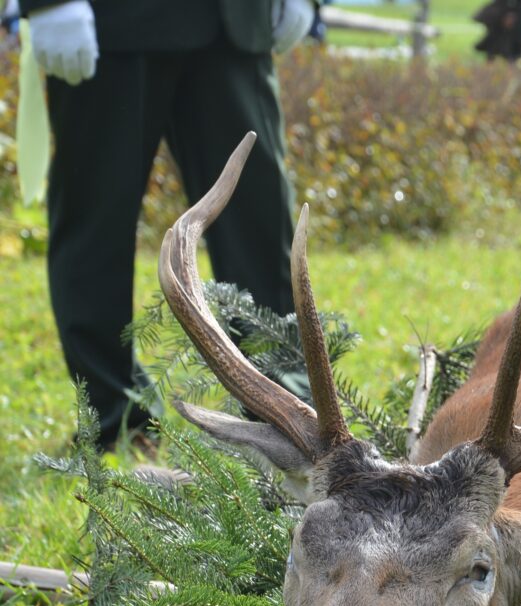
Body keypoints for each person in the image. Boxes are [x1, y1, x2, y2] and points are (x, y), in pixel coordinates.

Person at [19, 0, 315, 450]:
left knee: (262, 222)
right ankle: (118, 419)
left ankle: (287, 414)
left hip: (234, 22)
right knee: (96, 227)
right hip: (110, 25)